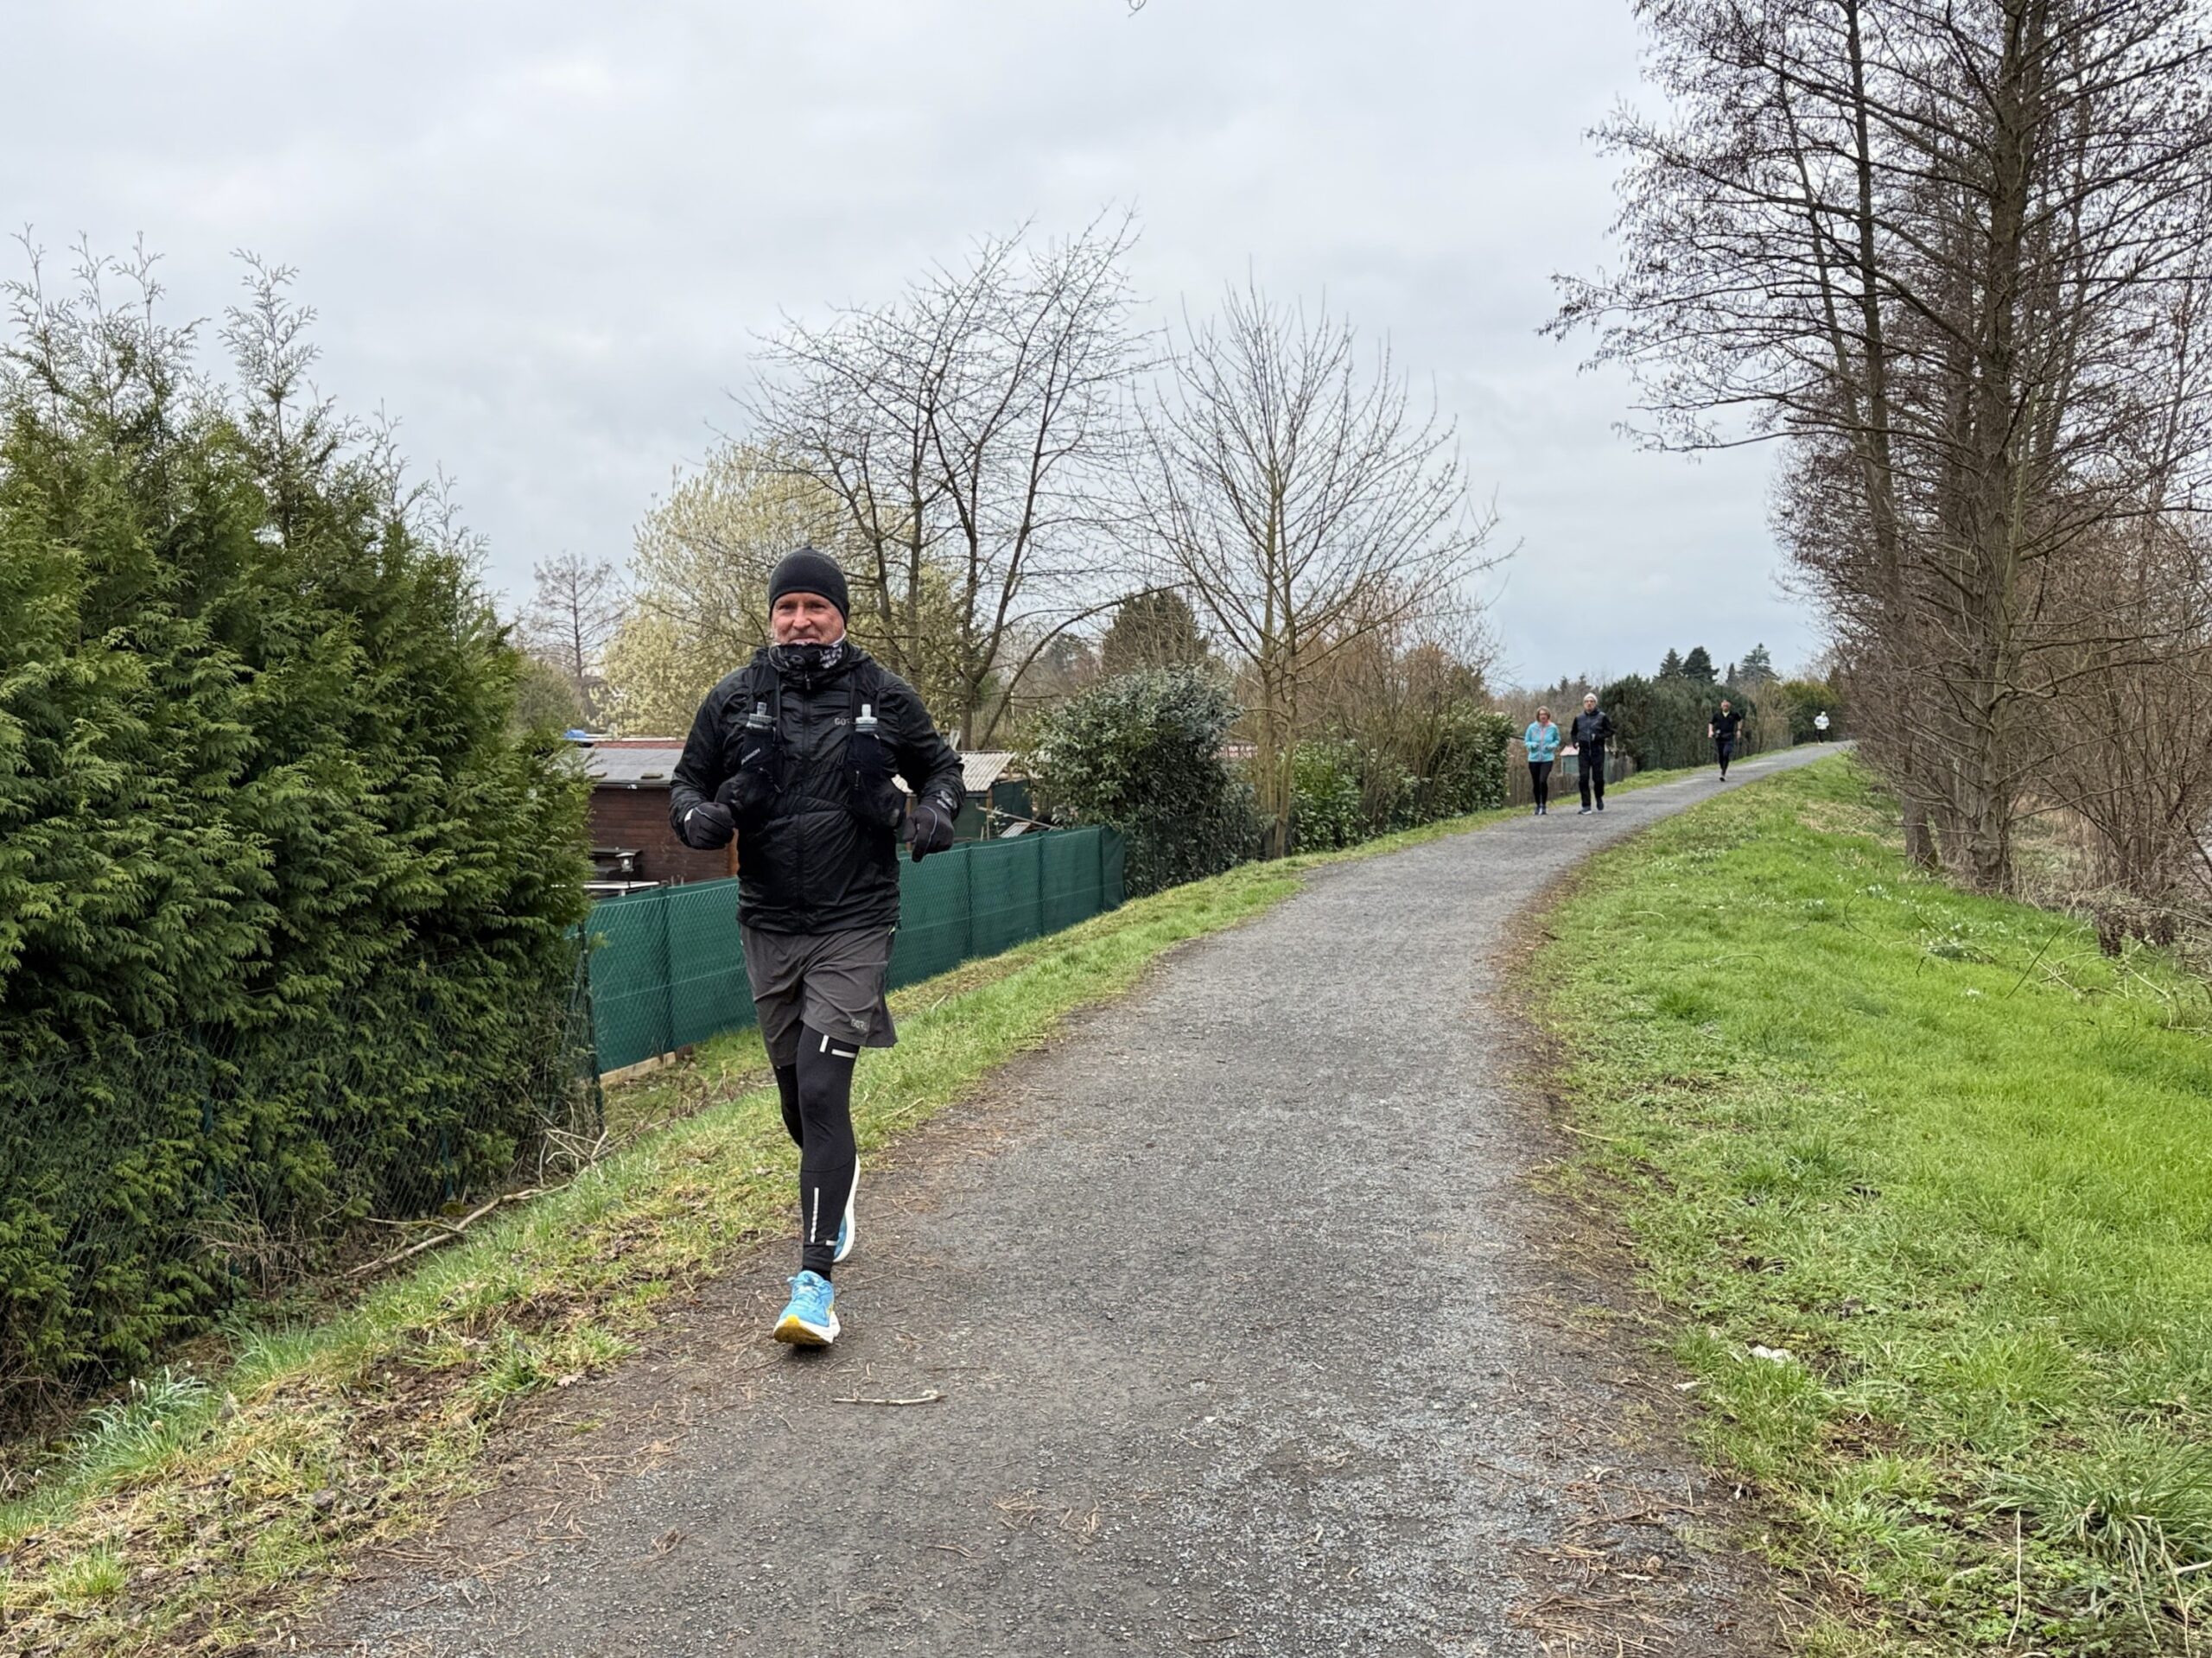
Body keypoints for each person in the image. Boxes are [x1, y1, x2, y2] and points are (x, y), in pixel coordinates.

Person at [670, 547, 965, 1348]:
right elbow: (685, 784)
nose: (801, 621)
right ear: (772, 618)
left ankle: (814, 1287)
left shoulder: (882, 694)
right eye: (787, 608)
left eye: (816, 607)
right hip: (768, 921)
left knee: (825, 1087)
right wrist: (696, 818)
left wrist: (934, 813)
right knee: (797, 1102)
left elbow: (943, 771)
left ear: (840, 615)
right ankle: (838, 1180)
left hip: (855, 921)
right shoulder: (734, 697)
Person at [1568, 692, 1613, 814]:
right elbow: (1573, 733)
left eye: (1592, 701)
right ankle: (1586, 805)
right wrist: (1575, 742)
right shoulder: (1579, 718)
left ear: (1595, 703)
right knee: (1583, 778)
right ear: (1584, 704)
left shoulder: (1602, 717)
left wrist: (1598, 736)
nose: (1589, 703)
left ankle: (1599, 796)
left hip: (1597, 750)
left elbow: (1610, 731)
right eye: (1587, 701)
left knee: (1598, 778)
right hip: (1583, 751)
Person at [1522, 706, 1561, 816]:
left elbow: (1557, 740)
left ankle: (1543, 804)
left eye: (1545, 714)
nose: (1543, 716)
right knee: (1536, 782)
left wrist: (1552, 746)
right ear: (1538, 716)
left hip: (1547, 758)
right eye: (1541, 714)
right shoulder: (1532, 727)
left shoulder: (1553, 727)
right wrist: (1532, 745)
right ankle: (1538, 805)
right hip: (1534, 758)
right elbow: (1526, 741)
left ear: (1548, 715)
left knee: (1542, 780)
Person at [1708, 698, 1744, 780]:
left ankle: (1723, 773)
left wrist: (1739, 730)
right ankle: (1723, 769)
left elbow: (1740, 720)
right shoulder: (1717, 715)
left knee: (1726, 753)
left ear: (1729, 706)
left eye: (1727, 705)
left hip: (1729, 737)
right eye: (1724, 705)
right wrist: (1710, 731)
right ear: (1721, 706)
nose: (1725, 706)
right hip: (1719, 737)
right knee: (1721, 756)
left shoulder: (1734, 714)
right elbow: (1711, 723)